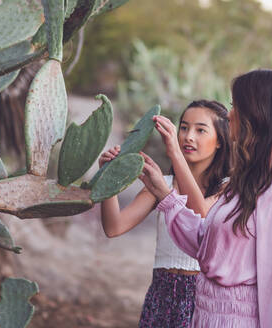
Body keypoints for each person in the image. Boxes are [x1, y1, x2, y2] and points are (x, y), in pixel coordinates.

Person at [139, 69, 272, 327]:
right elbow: (205, 244)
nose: (229, 115)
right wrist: (165, 195)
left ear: (258, 114)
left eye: (236, 107)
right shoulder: (245, 178)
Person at [98, 100, 231, 327]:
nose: (188, 136)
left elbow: (201, 215)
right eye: (184, 127)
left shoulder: (226, 187)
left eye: (200, 130)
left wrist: (175, 154)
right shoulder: (164, 184)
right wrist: (107, 178)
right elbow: (114, 227)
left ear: (220, 141)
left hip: (204, 300)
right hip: (161, 295)